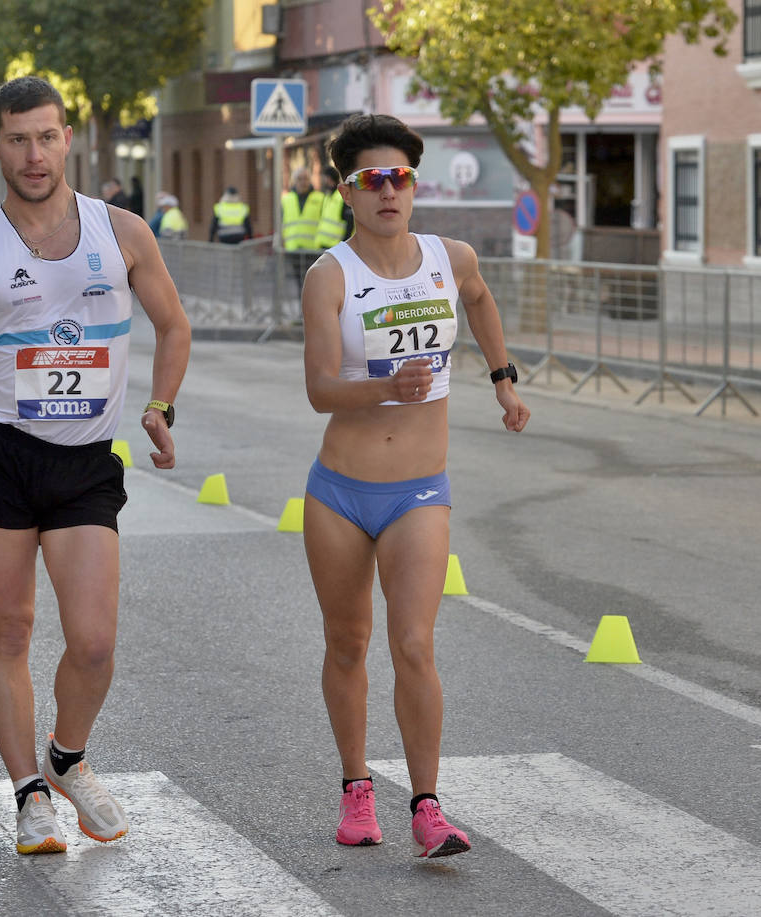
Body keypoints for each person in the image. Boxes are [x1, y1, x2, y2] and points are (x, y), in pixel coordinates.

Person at [0, 75, 191, 857]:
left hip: (85, 464)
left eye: (47, 136)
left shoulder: (124, 233)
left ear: (68, 138)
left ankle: (66, 754)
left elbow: (174, 328)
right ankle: (27, 791)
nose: (33, 154)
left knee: (95, 642)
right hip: (0, 455)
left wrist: (160, 408)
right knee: (9, 628)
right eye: (17, 138)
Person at [299, 113, 529, 858]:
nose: (388, 191)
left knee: (415, 644)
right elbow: (320, 389)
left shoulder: (448, 256)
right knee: (347, 642)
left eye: (399, 176)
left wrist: (504, 379)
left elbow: (482, 297)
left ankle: (428, 805)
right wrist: (384, 384)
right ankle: (356, 787)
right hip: (339, 492)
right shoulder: (330, 275)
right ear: (348, 191)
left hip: (418, 490)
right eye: (372, 180)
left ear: (413, 183)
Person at [314, 167, 352, 249]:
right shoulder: (327, 197)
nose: (322, 181)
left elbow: (349, 225)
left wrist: (343, 246)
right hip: (323, 246)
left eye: (324, 178)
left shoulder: (342, 198)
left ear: (329, 178)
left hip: (336, 248)